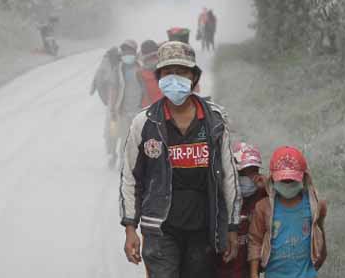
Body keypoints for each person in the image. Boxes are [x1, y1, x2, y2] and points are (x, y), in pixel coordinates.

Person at [119, 41, 242, 278]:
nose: (175, 78)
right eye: (168, 72)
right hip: (160, 231)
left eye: (182, 72)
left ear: (194, 77)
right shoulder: (144, 123)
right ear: (159, 77)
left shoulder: (214, 121)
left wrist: (233, 228)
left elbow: (229, 176)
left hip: (204, 230)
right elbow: (130, 179)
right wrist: (130, 228)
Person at [248, 146, 327, 278]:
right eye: (283, 181)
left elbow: (319, 241)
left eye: (292, 181)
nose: (288, 184)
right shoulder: (264, 208)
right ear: (273, 179)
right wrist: (254, 274)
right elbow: (255, 241)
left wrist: (321, 221)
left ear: (303, 178)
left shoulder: (314, 205)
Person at [216, 142, 267, 278]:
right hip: (221, 271)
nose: (250, 178)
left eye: (254, 171)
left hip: (248, 271)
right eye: (244, 172)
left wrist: (268, 185)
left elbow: (288, 197)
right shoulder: (220, 199)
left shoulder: (262, 195)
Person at [107, 39, 140, 168]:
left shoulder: (141, 67)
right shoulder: (118, 69)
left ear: (134, 52)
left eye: (130, 51)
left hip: (139, 110)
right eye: (125, 51)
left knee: (138, 138)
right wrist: (113, 109)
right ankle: (122, 160)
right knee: (124, 136)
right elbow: (114, 89)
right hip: (123, 110)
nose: (127, 54)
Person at [90, 47, 122, 166]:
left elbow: (97, 79)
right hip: (113, 104)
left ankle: (115, 153)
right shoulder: (106, 65)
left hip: (118, 104)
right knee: (113, 130)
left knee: (116, 131)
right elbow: (98, 80)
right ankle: (113, 153)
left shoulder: (121, 64)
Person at [137, 40, 163, 108]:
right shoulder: (140, 73)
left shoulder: (166, 69)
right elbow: (142, 93)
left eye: (154, 57)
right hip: (149, 109)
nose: (152, 60)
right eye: (148, 58)